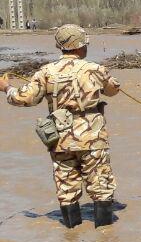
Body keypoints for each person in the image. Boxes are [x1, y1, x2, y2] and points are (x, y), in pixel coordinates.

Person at [0, 24, 121, 228]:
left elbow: (25, 98)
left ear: (60, 46)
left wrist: (7, 89)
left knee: (67, 189)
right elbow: (113, 90)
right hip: (93, 140)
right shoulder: (95, 69)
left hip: (60, 140)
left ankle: (71, 239)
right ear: (80, 46)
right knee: (101, 186)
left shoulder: (46, 72)